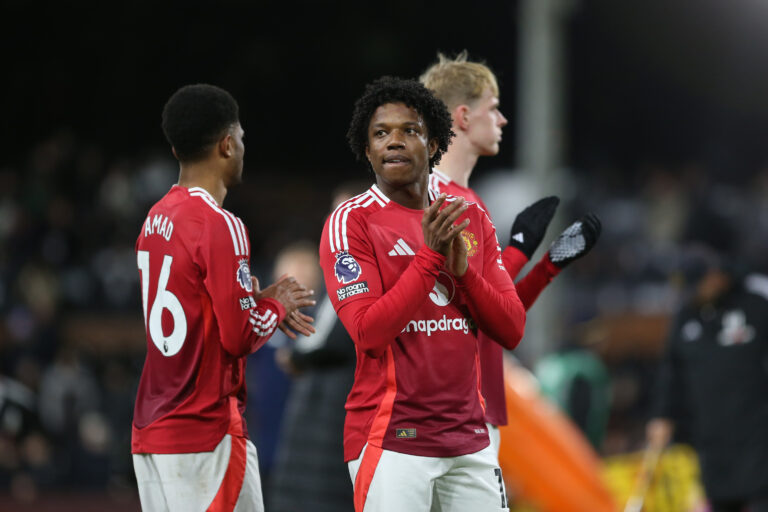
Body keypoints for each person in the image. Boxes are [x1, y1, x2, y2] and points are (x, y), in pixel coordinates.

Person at [321, 76, 525, 512]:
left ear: (434, 144)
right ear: (368, 148)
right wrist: (430, 258)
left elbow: (511, 327)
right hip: (393, 438)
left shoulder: (469, 214)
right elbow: (368, 332)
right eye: (381, 133)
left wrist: (465, 274)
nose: (394, 141)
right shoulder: (351, 222)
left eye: (409, 130)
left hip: (468, 437)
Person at [131, 83, 315, 512]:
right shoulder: (220, 223)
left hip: (151, 429)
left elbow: (202, 314)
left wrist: (254, 301)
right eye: (243, 138)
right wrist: (275, 306)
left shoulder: (155, 217)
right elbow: (238, 337)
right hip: (204, 432)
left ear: (176, 150)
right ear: (227, 144)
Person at [419, 51, 601, 453]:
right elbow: (469, 305)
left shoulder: (470, 202)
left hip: (478, 412)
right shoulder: (428, 199)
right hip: (441, 414)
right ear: (464, 117)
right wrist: (519, 250)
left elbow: (500, 318)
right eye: (494, 109)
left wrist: (549, 264)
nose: (502, 120)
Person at [269, 182, 368, 512]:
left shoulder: (361, 274)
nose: (335, 221)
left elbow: (335, 340)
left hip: (338, 415)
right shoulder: (336, 275)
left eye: (345, 213)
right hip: (320, 415)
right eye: (333, 212)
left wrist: (297, 356)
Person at [646, 243, 768, 512]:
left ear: (715, 276)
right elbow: (672, 371)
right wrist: (662, 415)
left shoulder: (756, 300)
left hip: (758, 436)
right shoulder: (687, 316)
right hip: (711, 438)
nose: (693, 295)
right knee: (721, 499)